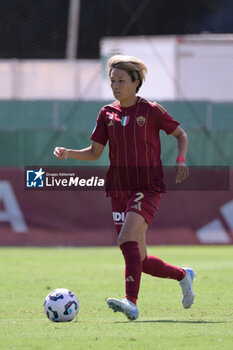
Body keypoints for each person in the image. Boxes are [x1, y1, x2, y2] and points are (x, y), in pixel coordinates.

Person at [54, 55, 195, 321]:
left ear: (136, 82)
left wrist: (180, 160)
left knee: (125, 239)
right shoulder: (107, 113)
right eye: (112, 81)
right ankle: (183, 275)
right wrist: (68, 153)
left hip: (148, 186)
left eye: (121, 81)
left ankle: (131, 302)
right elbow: (95, 152)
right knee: (138, 259)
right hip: (118, 189)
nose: (115, 86)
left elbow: (181, 134)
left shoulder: (151, 111)